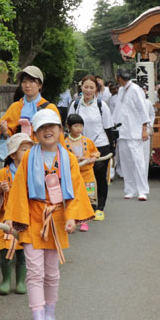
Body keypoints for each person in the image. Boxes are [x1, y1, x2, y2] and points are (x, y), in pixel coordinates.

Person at [3, 109, 94, 320]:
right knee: (35, 271)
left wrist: (72, 217)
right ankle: (38, 317)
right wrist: (14, 219)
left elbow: (76, 190)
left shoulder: (68, 159)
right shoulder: (28, 158)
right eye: (42, 128)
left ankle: (50, 312)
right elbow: (19, 190)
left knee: (52, 272)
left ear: (60, 130)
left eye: (51, 126)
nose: (47, 131)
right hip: (33, 217)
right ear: (35, 133)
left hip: (57, 218)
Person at [0, 133, 33, 295]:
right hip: (7, 219)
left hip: (26, 217)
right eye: (24, 149)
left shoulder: (33, 171)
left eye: (30, 150)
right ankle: (6, 280)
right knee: (5, 251)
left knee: (23, 252)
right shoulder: (3, 173)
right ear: (13, 154)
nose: (28, 153)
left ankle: (21, 282)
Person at [68, 75, 114, 220]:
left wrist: (112, 147)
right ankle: (87, 206)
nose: (88, 90)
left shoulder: (101, 105)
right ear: (81, 87)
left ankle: (100, 207)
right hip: (80, 146)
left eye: (91, 87)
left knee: (99, 177)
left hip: (100, 145)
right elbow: (69, 125)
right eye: (86, 87)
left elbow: (108, 127)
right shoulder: (75, 105)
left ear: (96, 89)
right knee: (83, 178)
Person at [113, 69, 152, 201]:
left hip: (135, 131)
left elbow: (142, 109)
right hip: (123, 131)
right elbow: (118, 110)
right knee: (126, 162)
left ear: (119, 77)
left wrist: (144, 128)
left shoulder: (135, 89)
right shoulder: (121, 90)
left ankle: (142, 191)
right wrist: (114, 126)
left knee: (138, 161)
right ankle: (130, 190)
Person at [0, 65, 60, 139]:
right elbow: (7, 135)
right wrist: (4, 132)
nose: (27, 85)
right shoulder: (15, 107)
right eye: (24, 81)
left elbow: (59, 136)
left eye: (31, 81)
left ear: (40, 85)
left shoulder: (50, 109)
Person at [63, 112, 101, 231]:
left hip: (87, 174)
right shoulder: (64, 143)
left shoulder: (87, 141)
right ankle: (73, 219)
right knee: (74, 198)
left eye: (80, 126)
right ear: (68, 127)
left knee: (88, 197)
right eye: (75, 126)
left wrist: (93, 157)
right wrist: (75, 159)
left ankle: (85, 222)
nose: (78, 128)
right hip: (73, 175)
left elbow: (95, 152)